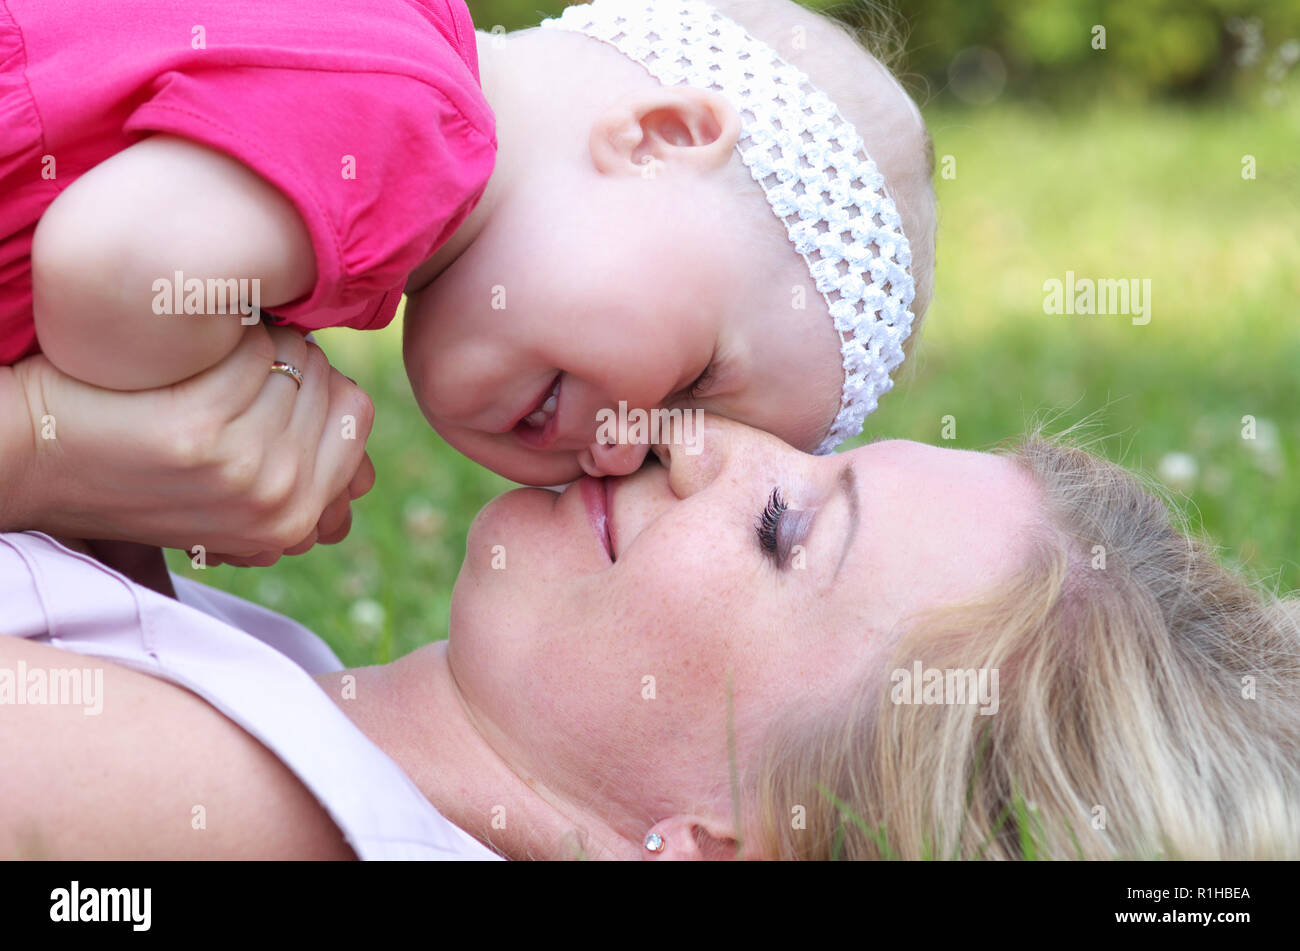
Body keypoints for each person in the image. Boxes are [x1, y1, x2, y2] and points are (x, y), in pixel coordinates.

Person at [4, 416, 1297, 859]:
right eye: (812, 451)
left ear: (721, 840)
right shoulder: (296, 744)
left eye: (784, 526)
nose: (698, 439)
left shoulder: (227, 814)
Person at [3, 0, 935, 554]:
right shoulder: (417, 129)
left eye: (650, 461)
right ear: (661, 138)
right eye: (690, 386)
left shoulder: (392, 83)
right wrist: (157, 458)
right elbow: (114, 266)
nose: (613, 454)